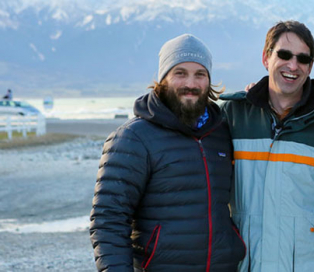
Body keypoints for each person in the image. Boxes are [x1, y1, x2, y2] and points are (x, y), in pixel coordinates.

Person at [89, 34, 245, 272]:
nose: (190, 84)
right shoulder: (133, 138)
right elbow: (108, 220)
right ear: (163, 78)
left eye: (200, 74)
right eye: (180, 73)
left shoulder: (221, 133)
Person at [221, 21, 314, 271]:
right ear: (266, 57)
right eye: (284, 55)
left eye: (302, 59)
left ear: (310, 66)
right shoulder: (233, 117)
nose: (293, 66)